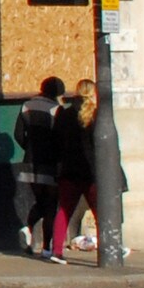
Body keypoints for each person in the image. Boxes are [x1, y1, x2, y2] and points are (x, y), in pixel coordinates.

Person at [49, 77, 100, 264]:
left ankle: (56, 250)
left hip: (68, 169)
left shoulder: (65, 113)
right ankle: (109, 248)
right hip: (90, 171)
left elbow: (56, 141)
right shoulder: (96, 115)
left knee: (63, 210)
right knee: (99, 211)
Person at [14, 75, 65, 254]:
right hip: (50, 163)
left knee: (40, 200)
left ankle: (27, 229)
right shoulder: (57, 110)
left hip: (29, 162)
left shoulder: (26, 106)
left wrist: (28, 149)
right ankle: (46, 248)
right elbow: (60, 138)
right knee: (51, 204)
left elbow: (18, 134)